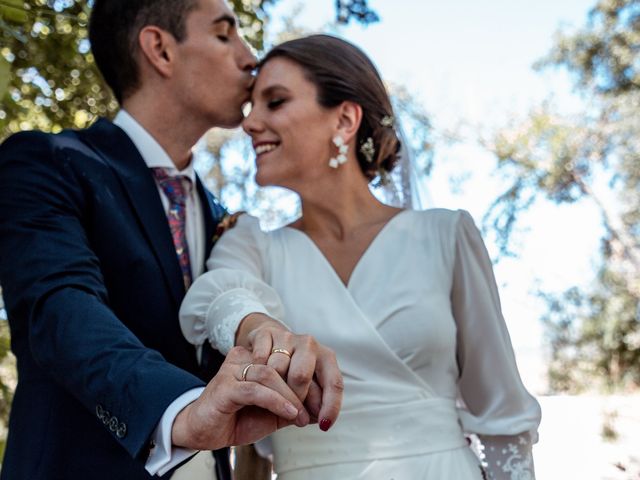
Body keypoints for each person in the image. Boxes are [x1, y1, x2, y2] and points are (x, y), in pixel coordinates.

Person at [0, 1, 342, 479]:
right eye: (226, 35)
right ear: (159, 49)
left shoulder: (226, 221)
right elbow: (60, 308)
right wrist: (180, 409)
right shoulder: (46, 162)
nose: (251, 58)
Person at [179, 34, 543, 479]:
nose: (249, 124)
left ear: (346, 120)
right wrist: (260, 327)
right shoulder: (252, 243)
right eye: (251, 107)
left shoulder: (446, 236)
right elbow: (216, 297)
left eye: (274, 102)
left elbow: (503, 417)